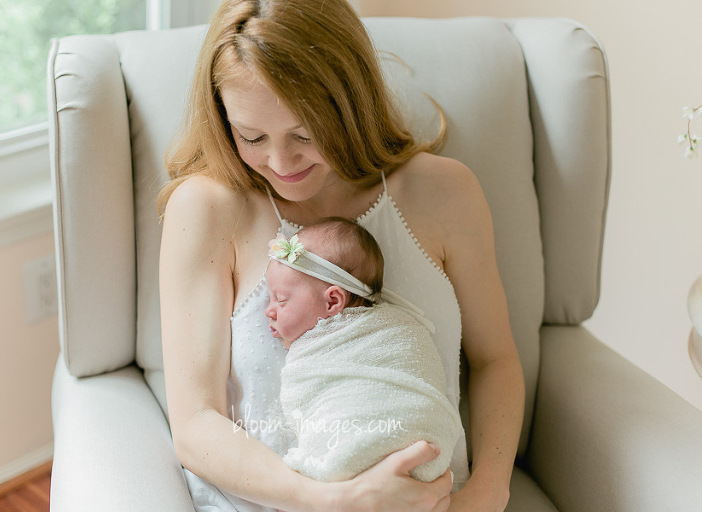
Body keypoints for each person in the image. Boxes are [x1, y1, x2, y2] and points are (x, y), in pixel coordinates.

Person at [158, 0, 525, 510]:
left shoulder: (445, 194)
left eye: (305, 133)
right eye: (252, 136)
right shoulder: (206, 210)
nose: (281, 162)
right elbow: (195, 423)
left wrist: (486, 492)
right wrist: (329, 500)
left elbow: (496, 361)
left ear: (352, 102)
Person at [265, 218, 461, 484]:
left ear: (333, 301)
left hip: (409, 428)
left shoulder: (393, 330)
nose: (269, 310)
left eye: (281, 299)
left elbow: (415, 368)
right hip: (424, 458)